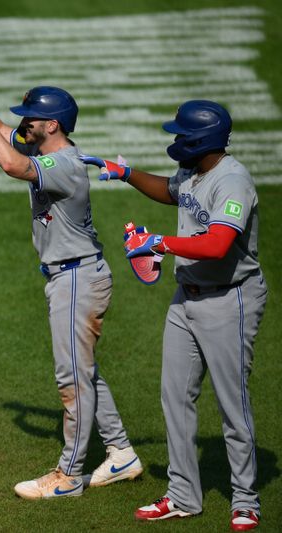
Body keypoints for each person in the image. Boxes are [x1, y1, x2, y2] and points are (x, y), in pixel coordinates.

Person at [0, 52, 142, 500]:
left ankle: (68, 476)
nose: (25, 124)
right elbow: (10, 140)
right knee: (84, 373)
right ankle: (120, 452)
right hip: (72, 276)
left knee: (72, 380)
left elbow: (10, 163)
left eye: (33, 119)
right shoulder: (46, 150)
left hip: (77, 279)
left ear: (54, 126)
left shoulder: (61, 165)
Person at [84, 100, 266, 531]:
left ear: (201, 141)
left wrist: (160, 243)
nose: (175, 141)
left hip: (230, 299)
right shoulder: (194, 170)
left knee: (231, 403)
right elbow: (170, 190)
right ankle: (183, 494)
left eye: (181, 136)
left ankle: (245, 499)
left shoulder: (233, 181)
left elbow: (219, 244)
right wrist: (125, 173)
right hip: (186, 299)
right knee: (175, 397)